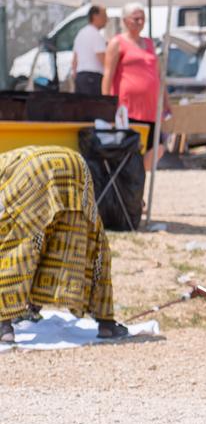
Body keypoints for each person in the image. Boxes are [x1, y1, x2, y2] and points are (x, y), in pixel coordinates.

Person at [0, 146, 126, 343]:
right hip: (75, 165)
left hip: (36, 171)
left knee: (18, 246)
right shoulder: (9, 160)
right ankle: (106, 323)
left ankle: (3, 325)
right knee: (91, 240)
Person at [101, 2, 163, 172]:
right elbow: (108, 75)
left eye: (142, 18)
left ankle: (139, 177)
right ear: (125, 20)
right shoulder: (117, 42)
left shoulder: (149, 43)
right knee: (130, 148)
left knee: (157, 147)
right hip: (128, 107)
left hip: (150, 107)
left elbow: (157, 74)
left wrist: (164, 101)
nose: (140, 22)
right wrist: (107, 106)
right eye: (136, 18)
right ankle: (132, 178)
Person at [69, 5, 110, 95]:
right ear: (95, 16)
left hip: (80, 77)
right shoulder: (95, 35)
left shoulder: (81, 33)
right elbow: (103, 59)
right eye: (104, 16)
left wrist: (75, 77)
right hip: (93, 78)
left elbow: (75, 60)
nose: (107, 20)